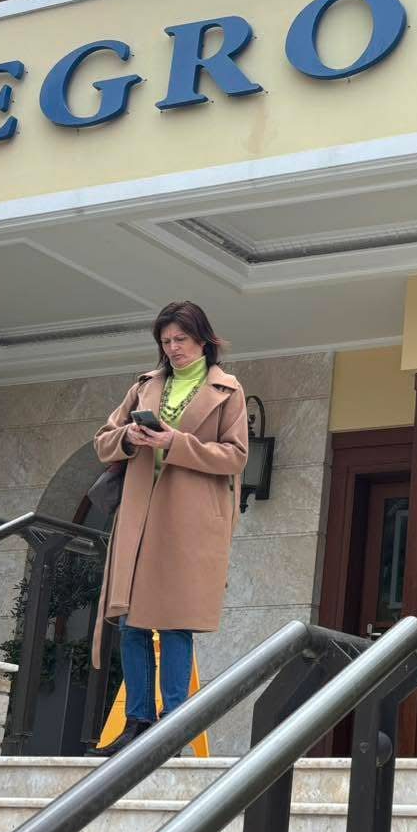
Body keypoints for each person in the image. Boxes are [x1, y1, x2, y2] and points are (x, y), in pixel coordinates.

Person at [89, 301, 248, 756]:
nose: (173, 348)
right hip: (139, 513)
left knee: (177, 622)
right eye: (166, 341)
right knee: (130, 620)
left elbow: (235, 456)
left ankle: (174, 726)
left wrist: (174, 442)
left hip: (188, 519)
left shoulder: (228, 390)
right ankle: (138, 722)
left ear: (203, 340)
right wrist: (128, 437)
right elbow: (103, 441)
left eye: (181, 339)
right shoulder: (144, 385)